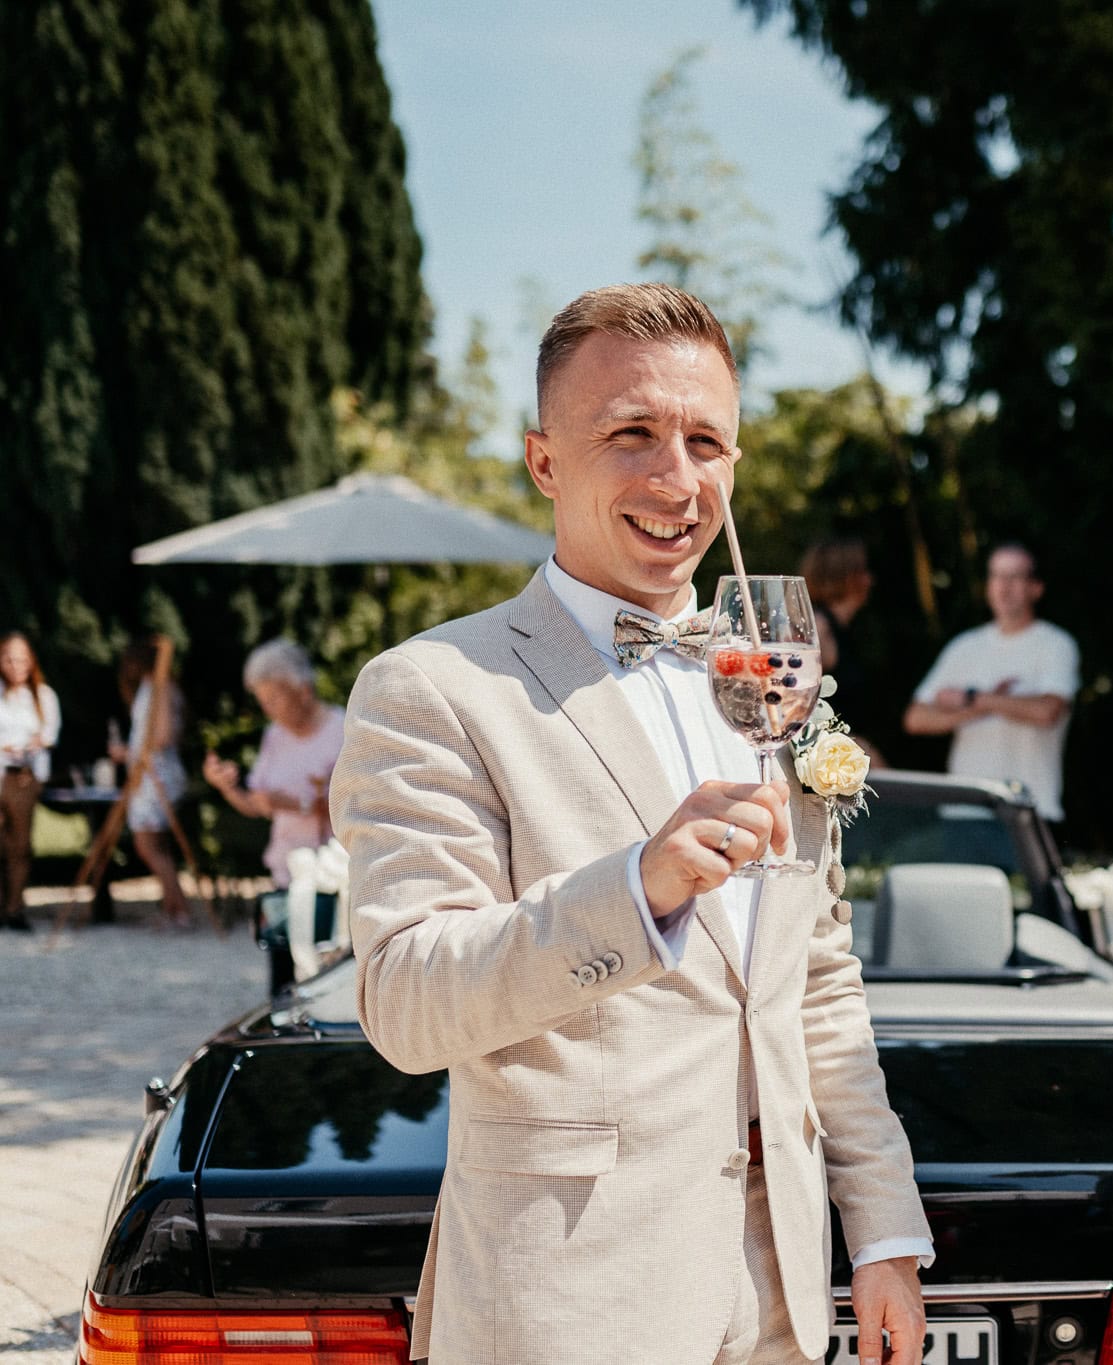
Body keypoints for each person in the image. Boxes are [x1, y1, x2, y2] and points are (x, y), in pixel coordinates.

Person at [331, 283, 931, 1365]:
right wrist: (636, 890)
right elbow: (406, 1003)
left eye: (706, 441)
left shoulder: (770, 677)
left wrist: (883, 1229)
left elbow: (817, 979)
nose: (677, 478)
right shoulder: (432, 687)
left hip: (782, 1295)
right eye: (631, 434)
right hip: (567, 1303)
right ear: (544, 461)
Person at [902, 544, 1080, 823]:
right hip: (964, 809)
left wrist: (973, 697)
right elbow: (916, 718)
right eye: (996, 576)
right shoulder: (964, 646)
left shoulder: (1055, 644)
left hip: (1029, 809)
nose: (1004, 587)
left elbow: (1048, 711)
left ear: (1036, 588)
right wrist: (983, 706)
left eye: (1014, 577)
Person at [202, 639, 345, 887]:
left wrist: (295, 804)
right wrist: (226, 786)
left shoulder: (343, 730)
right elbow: (256, 804)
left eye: (273, 699)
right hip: (286, 870)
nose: (267, 710)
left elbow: (355, 805)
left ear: (303, 691)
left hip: (334, 872)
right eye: (262, 702)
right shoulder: (275, 735)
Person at [111, 638, 191, 930]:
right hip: (146, 773)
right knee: (153, 844)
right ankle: (172, 906)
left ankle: (178, 908)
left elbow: (163, 736)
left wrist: (130, 753)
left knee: (148, 844)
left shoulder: (160, 687)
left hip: (156, 775)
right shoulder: (151, 687)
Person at [802, 537, 886, 761]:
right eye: (863, 572)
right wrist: (855, 745)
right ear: (846, 577)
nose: (870, 580)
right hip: (831, 758)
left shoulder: (849, 629)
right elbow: (796, 708)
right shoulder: (819, 630)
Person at [1, 632, 61, 933]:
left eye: (21, 659)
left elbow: (49, 734)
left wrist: (33, 743)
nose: (16, 666)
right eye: (9, 659)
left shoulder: (43, 696)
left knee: (20, 845)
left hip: (24, 776)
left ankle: (15, 907)